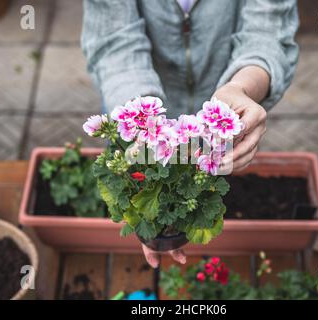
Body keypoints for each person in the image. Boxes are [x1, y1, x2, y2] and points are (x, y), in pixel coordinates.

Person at [82, 0, 299, 268]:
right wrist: (143, 124)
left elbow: (268, 33)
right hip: (135, 101)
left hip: (225, 111)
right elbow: (114, 40)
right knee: (142, 181)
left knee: (219, 185)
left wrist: (242, 88)